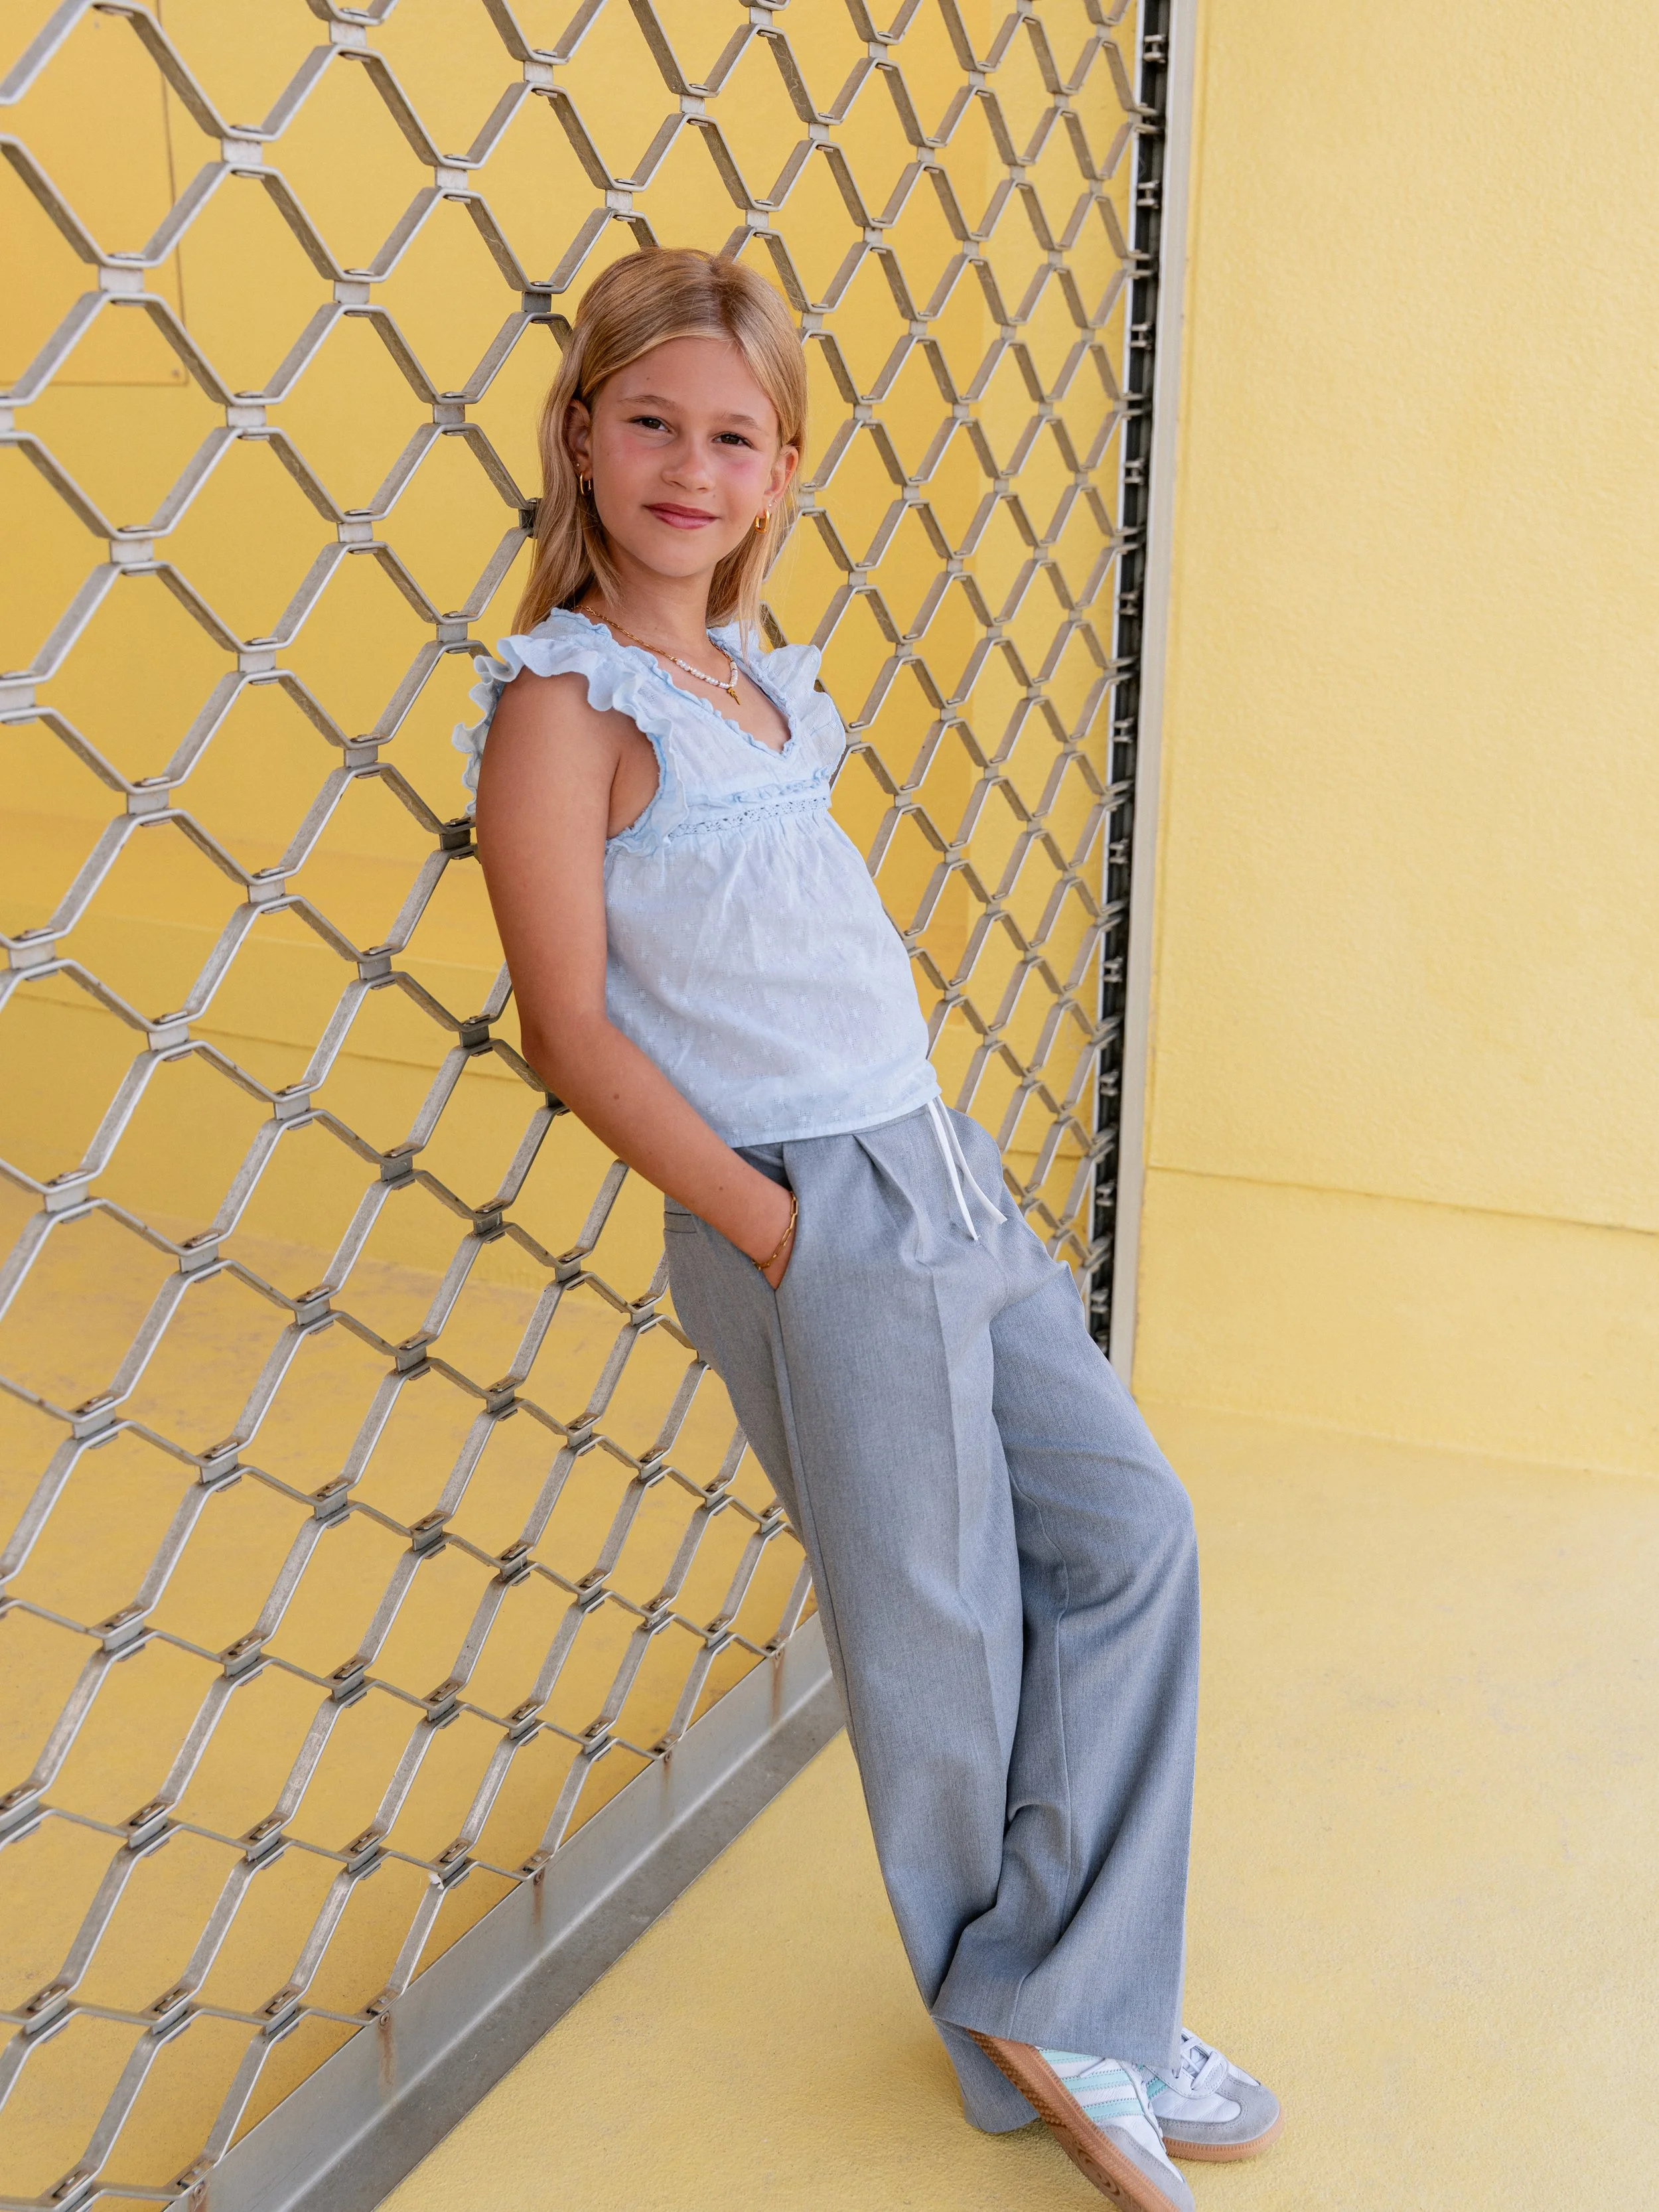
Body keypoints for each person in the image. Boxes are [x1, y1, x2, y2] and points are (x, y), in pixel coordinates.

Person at [459, 246, 1280, 2212]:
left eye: (729, 435)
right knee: (933, 1629)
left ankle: (1068, 1980)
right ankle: (1045, 2041)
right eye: (648, 419)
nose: (686, 462)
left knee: (1126, 1528)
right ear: (581, 435)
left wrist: (925, 1168)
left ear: (782, 473)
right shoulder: (561, 707)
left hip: (938, 1171)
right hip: (811, 1207)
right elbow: (569, 1027)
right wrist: (773, 1224)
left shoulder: (760, 681)